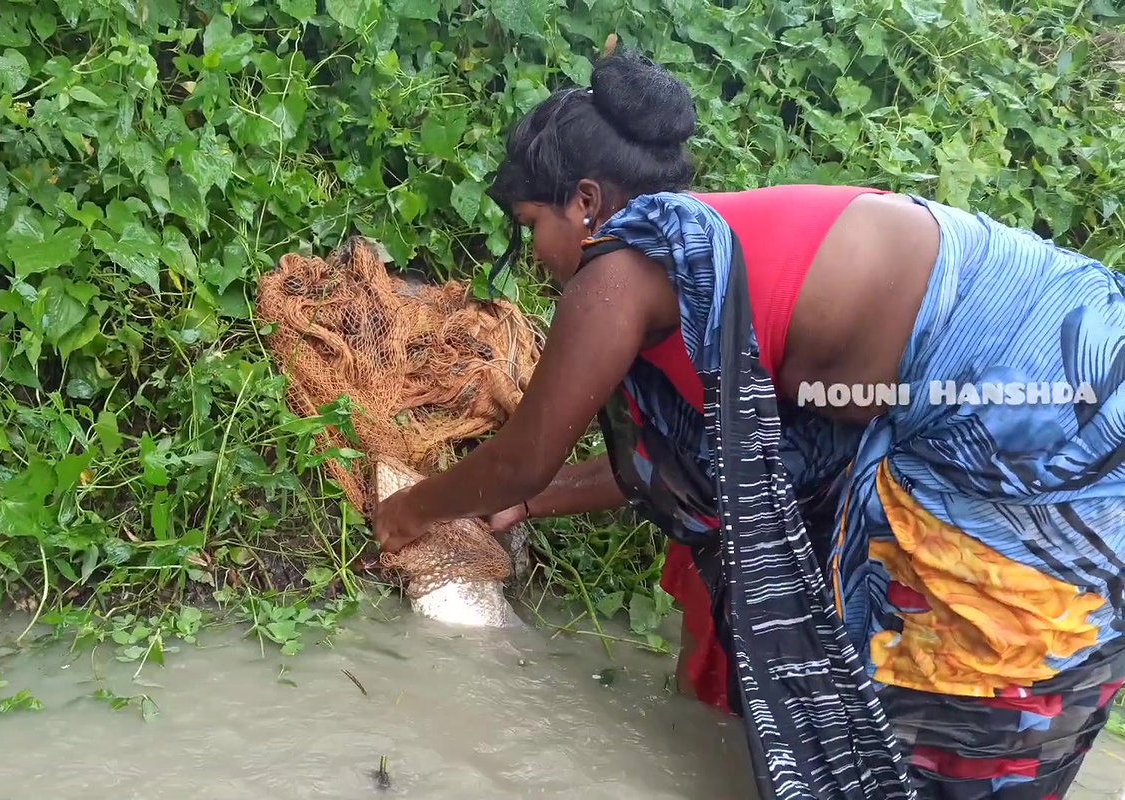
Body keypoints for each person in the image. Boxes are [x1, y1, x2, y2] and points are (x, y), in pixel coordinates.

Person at [372, 50, 1125, 800]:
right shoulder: (711, 258)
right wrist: (531, 506)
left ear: (587, 202)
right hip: (1069, 358)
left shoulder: (623, 270)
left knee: (961, 693)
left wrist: (407, 512)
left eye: (530, 225)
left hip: (1041, 401)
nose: (534, 257)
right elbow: (709, 466)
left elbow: (520, 459)